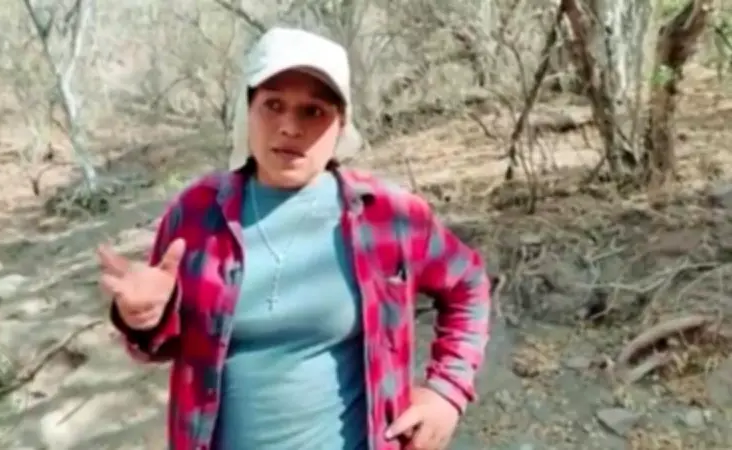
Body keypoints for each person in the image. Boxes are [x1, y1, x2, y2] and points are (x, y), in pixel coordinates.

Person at [98, 26, 491, 450]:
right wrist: (144, 318)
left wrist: (448, 390)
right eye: (273, 105)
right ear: (247, 111)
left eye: (313, 111)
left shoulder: (389, 217)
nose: (289, 127)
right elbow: (159, 345)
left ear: (341, 124)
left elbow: (468, 283)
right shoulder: (196, 214)